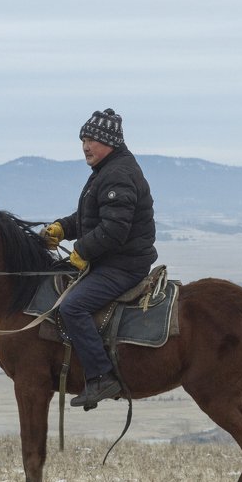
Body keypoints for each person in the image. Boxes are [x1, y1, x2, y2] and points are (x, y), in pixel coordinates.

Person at [41, 108, 157, 410]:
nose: (85, 146)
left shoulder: (117, 173)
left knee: (73, 306)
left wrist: (82, 251)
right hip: (113, 260)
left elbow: (114, 229)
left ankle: (101, 376)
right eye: (83, 139)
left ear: (110, 141)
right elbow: (91, 217)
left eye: (92, 139)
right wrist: (62, 228)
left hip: (123, 265)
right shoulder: (107, 171)